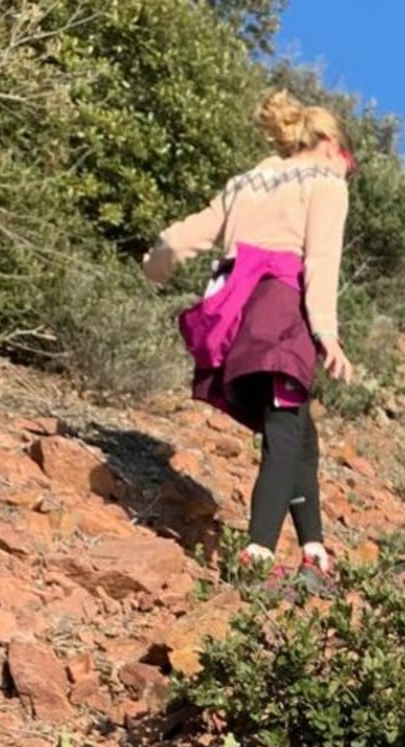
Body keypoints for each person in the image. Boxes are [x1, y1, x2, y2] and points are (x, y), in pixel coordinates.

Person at [142, 89, 357, 592]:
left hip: (234, 316)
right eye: (348, 159)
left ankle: (315, 553)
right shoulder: (325, 180)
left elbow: (188, 234)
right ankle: (257, 555)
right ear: (328, 143)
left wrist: (158, 258)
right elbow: (322, 262)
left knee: (300, 433)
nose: (347, 169)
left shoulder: (249, 179)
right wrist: (327, 333)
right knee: (285, 434)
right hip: (281, 313)